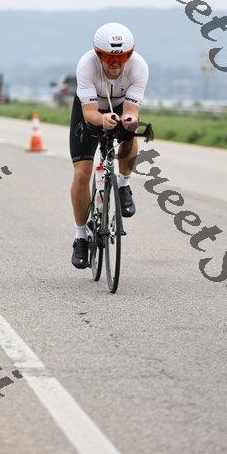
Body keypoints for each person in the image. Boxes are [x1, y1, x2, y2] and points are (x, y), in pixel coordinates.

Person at [69, 22, 149, 269]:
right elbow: (90, 113)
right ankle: (81, 237)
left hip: (121, 106)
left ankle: (123, 185)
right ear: (98, 54)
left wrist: (129, 120)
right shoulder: (86, 65)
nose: (116, 63)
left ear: (130, 54)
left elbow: (132, 110)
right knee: (82, 174)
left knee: (130, 133)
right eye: (109, 57)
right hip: (90, 110)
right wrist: (103, 120)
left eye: (122, 56)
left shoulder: (139, 67)